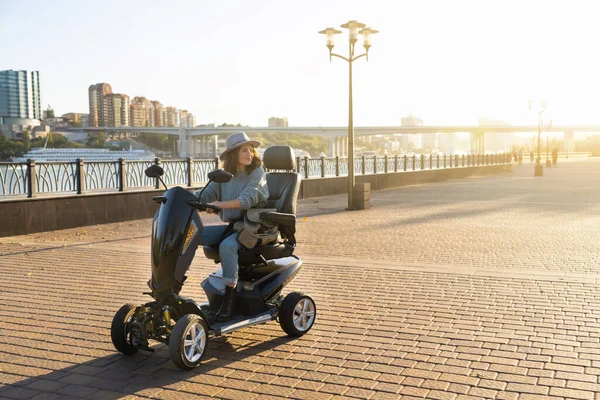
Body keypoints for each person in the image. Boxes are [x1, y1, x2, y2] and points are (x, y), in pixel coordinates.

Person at [194, 132, 269, 321]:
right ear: (233, 153)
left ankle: (229, 298)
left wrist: (220, 205)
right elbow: (205, 194)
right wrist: (178, 196)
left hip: (254, 227)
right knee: (192, 233)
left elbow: (247, 198)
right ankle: (173, 283)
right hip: (234, 227)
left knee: (227, 246)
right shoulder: (225, 176)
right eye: (244, 150)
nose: (249, 153)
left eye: (251, 150)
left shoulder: (257, 172)